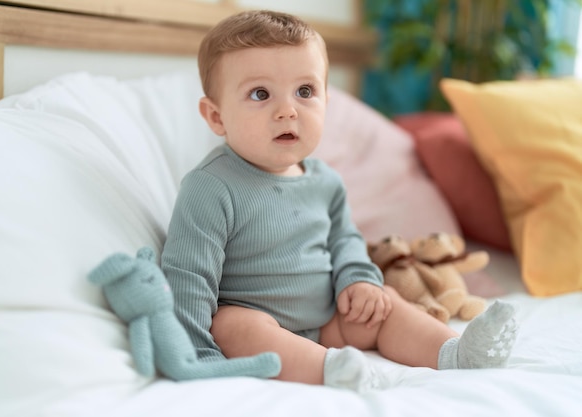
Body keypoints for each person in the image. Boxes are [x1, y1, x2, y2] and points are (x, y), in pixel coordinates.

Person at [161, 9, 518, 392]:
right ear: (216, 117)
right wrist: (196, 352)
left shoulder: (325, 181)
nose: (287, 110)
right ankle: (329, 370)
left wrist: (358, 281)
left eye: (305, 91)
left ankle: (455, 352)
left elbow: (345, 240)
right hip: (259, 320)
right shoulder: (211, 187)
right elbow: (189, 276)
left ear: (326, 101)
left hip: (331, 317)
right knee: (233, 327)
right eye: (260, 94)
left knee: (385, 300)